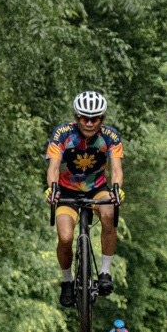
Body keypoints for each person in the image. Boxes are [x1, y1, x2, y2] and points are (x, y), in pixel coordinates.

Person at [45, 91, 124, 307]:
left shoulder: (110, 136)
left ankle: (105, 273)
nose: (89, 123)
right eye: (84, 118)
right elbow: (53, 166)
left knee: (109, 213)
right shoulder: (63, 133)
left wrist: (117, 189)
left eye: (95, 118)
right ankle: (67, 281)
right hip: (67, 191)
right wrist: (52, 188)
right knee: (65, 238)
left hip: (96, 189)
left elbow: (116, 168)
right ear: (77, 117)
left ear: (102, 119)